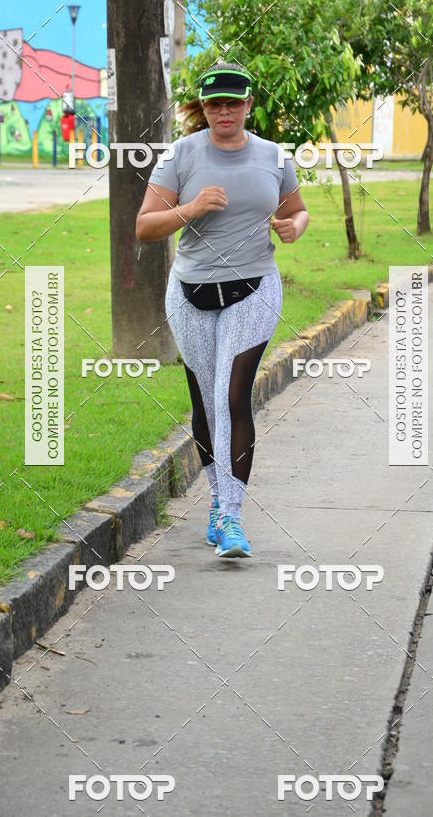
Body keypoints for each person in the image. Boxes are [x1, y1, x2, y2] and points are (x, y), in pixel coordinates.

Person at [135, 63, 309, 558]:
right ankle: (217, 499)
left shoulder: (274, 158)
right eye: (215, 104)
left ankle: (232, 516)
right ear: (204, 108)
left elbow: (296, 208)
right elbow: (145, 227)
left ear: (249, 104)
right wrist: (190, 209)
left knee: (231, 394)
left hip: (254, 287)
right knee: (204, 401)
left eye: (234, 102)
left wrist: (298, 224)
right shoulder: (180, 156)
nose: (225, 111)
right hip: (190, 292)